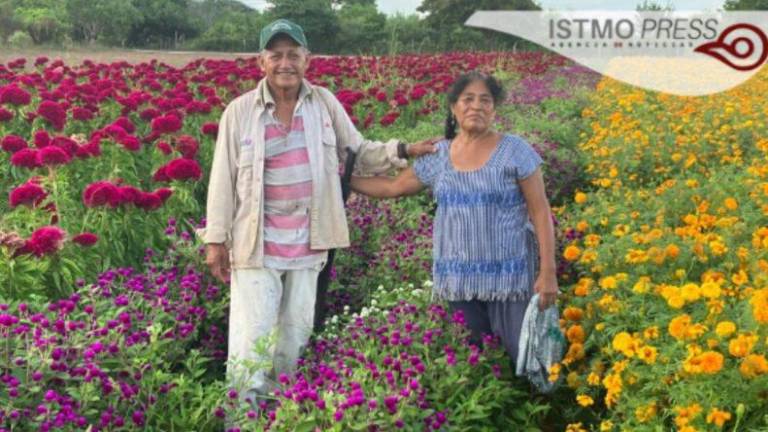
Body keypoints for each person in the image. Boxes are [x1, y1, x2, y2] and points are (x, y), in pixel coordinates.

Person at [198, 18, 435, 401]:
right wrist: (215, 241)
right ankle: (242, 419)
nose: (285, 63)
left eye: (293, 55)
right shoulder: (240, 112)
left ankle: (280, 416)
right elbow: (222, 178)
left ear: (307, 60)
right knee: (251, 344)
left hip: (309, 244)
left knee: (294, 340)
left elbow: (358, 152)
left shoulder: (323, 103)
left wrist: (404, 150)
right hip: (256, 245)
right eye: (276, 55)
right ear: (261, 62)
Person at [351, 72, 558, 365]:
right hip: (459, 280)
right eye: (468, 99)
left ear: (494, 109)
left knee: (526, 359)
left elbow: (540, 210)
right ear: (453, 107)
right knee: (478, 363)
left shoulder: (515, 150)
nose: (476, 106)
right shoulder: (439, 155)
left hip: (510, 278)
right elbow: (392, 187)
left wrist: (548, 271)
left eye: (485, 100)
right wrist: (341, 179)